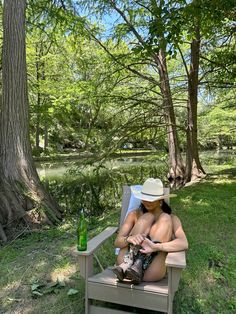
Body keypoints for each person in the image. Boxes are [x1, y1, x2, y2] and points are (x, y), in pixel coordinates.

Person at [112, 178, 188, 284]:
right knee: (147, 217)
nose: (146, 201)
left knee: (165, 218)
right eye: (144, 198)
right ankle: (132, 264)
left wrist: (156, 247)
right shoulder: (134, 215)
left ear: (160, 200)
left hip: (151, 271)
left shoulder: (172, 219)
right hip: (124, 264)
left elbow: (183, 243)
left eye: (151, 199)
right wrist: (129, 238)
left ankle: (139, 265)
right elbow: (117, 242)